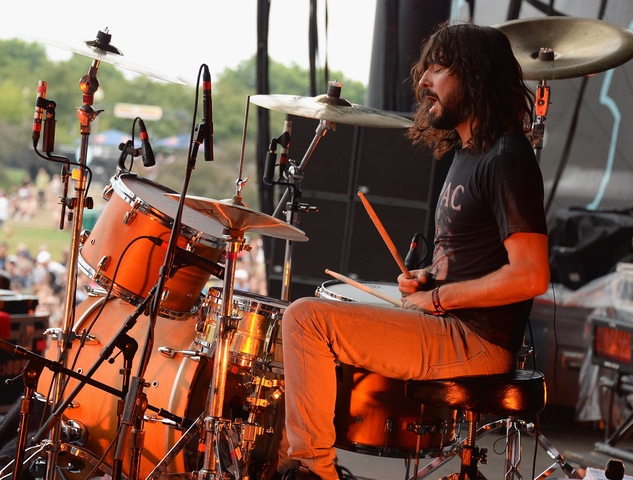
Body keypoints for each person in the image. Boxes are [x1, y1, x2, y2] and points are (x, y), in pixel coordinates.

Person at [278, 21, 550, 480]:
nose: (424, 81)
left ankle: (313, 471)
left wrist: (440, 298)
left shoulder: (507, 158)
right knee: (316, 312)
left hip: (477, 341)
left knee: (306, 320)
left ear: (474, 76)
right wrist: (429, 275)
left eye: (438, 69)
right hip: (452, 324)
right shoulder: (468, 153)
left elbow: (529, 275)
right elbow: (474, 259)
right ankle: (296, 463)